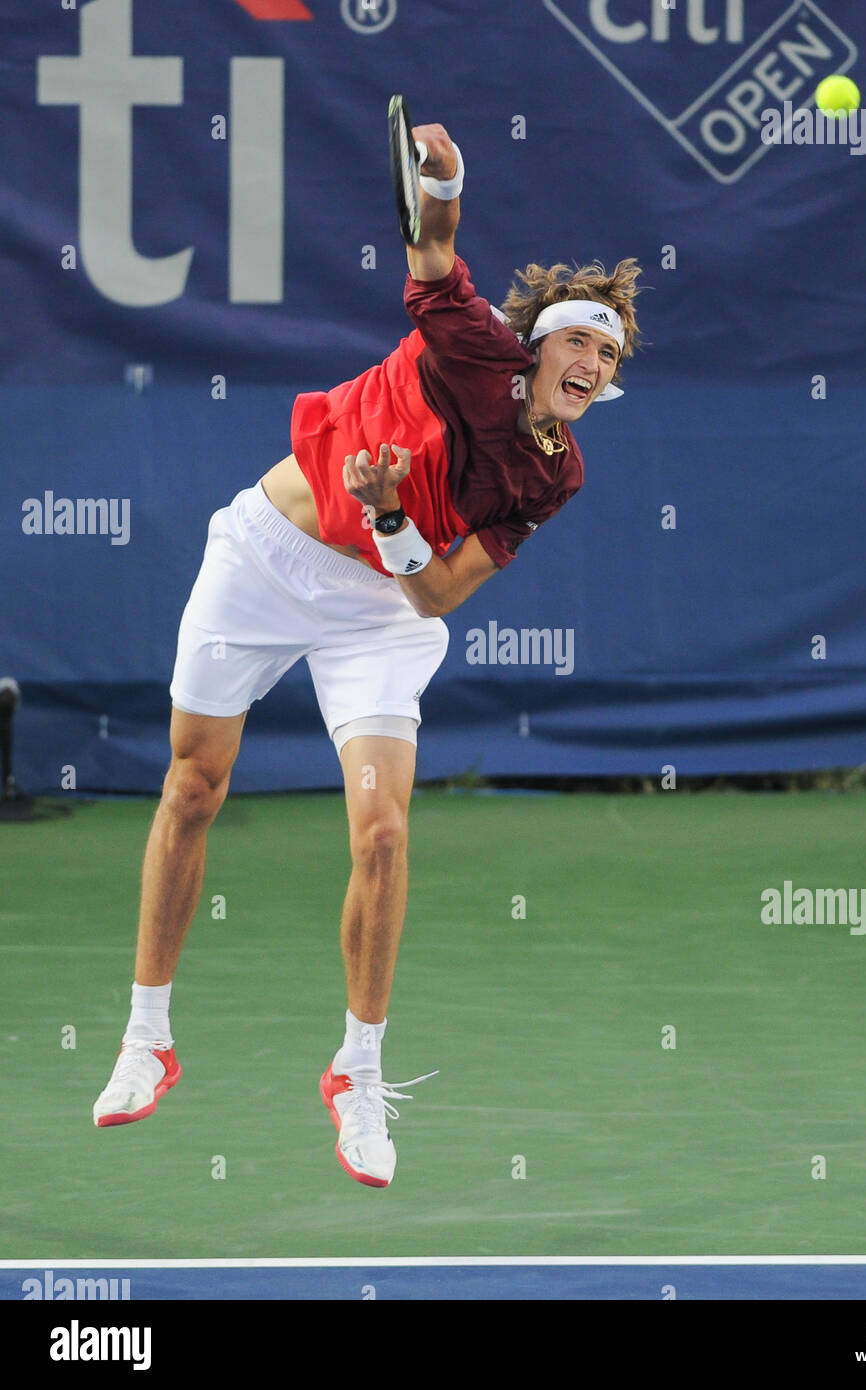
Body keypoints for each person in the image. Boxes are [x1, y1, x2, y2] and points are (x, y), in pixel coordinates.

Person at [92, 121, 644, 1187]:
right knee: (194, 785)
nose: (591, 361)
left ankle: (356, 1071)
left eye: (609, 355)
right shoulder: (468, 339)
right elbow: (433, 249)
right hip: (264, 553)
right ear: (537, 343)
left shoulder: (553, 475)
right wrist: (445, 176)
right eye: (580, 339)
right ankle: (146, 1037)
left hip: (378, 610)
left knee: (384, 833)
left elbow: (432, 590)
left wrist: (391, 514)